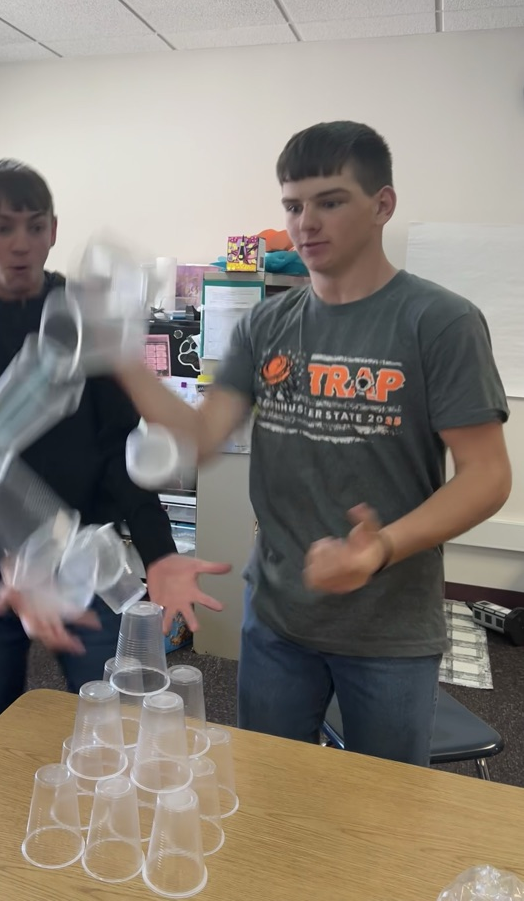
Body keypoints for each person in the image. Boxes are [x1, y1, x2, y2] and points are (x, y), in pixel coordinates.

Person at [117, 121, 512, 766]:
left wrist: (380, 546)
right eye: (293, 206)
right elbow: (201, 435)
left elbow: (487, 476)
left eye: (330, 201)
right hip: (276, 618)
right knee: (270, 792)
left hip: (389, 625)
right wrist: (124, 361)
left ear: (383, 205)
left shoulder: (440, 322)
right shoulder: (267, 323)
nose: (307, 224)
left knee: (380, 808)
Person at [0, 159, 225, 763]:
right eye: (2, 227)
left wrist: (161, 552)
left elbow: (120, 444)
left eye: (34, 227)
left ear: (54, 230)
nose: (20, 245)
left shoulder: (87, 319)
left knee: (126, 724)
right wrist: (15, 564)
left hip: (87, 557)